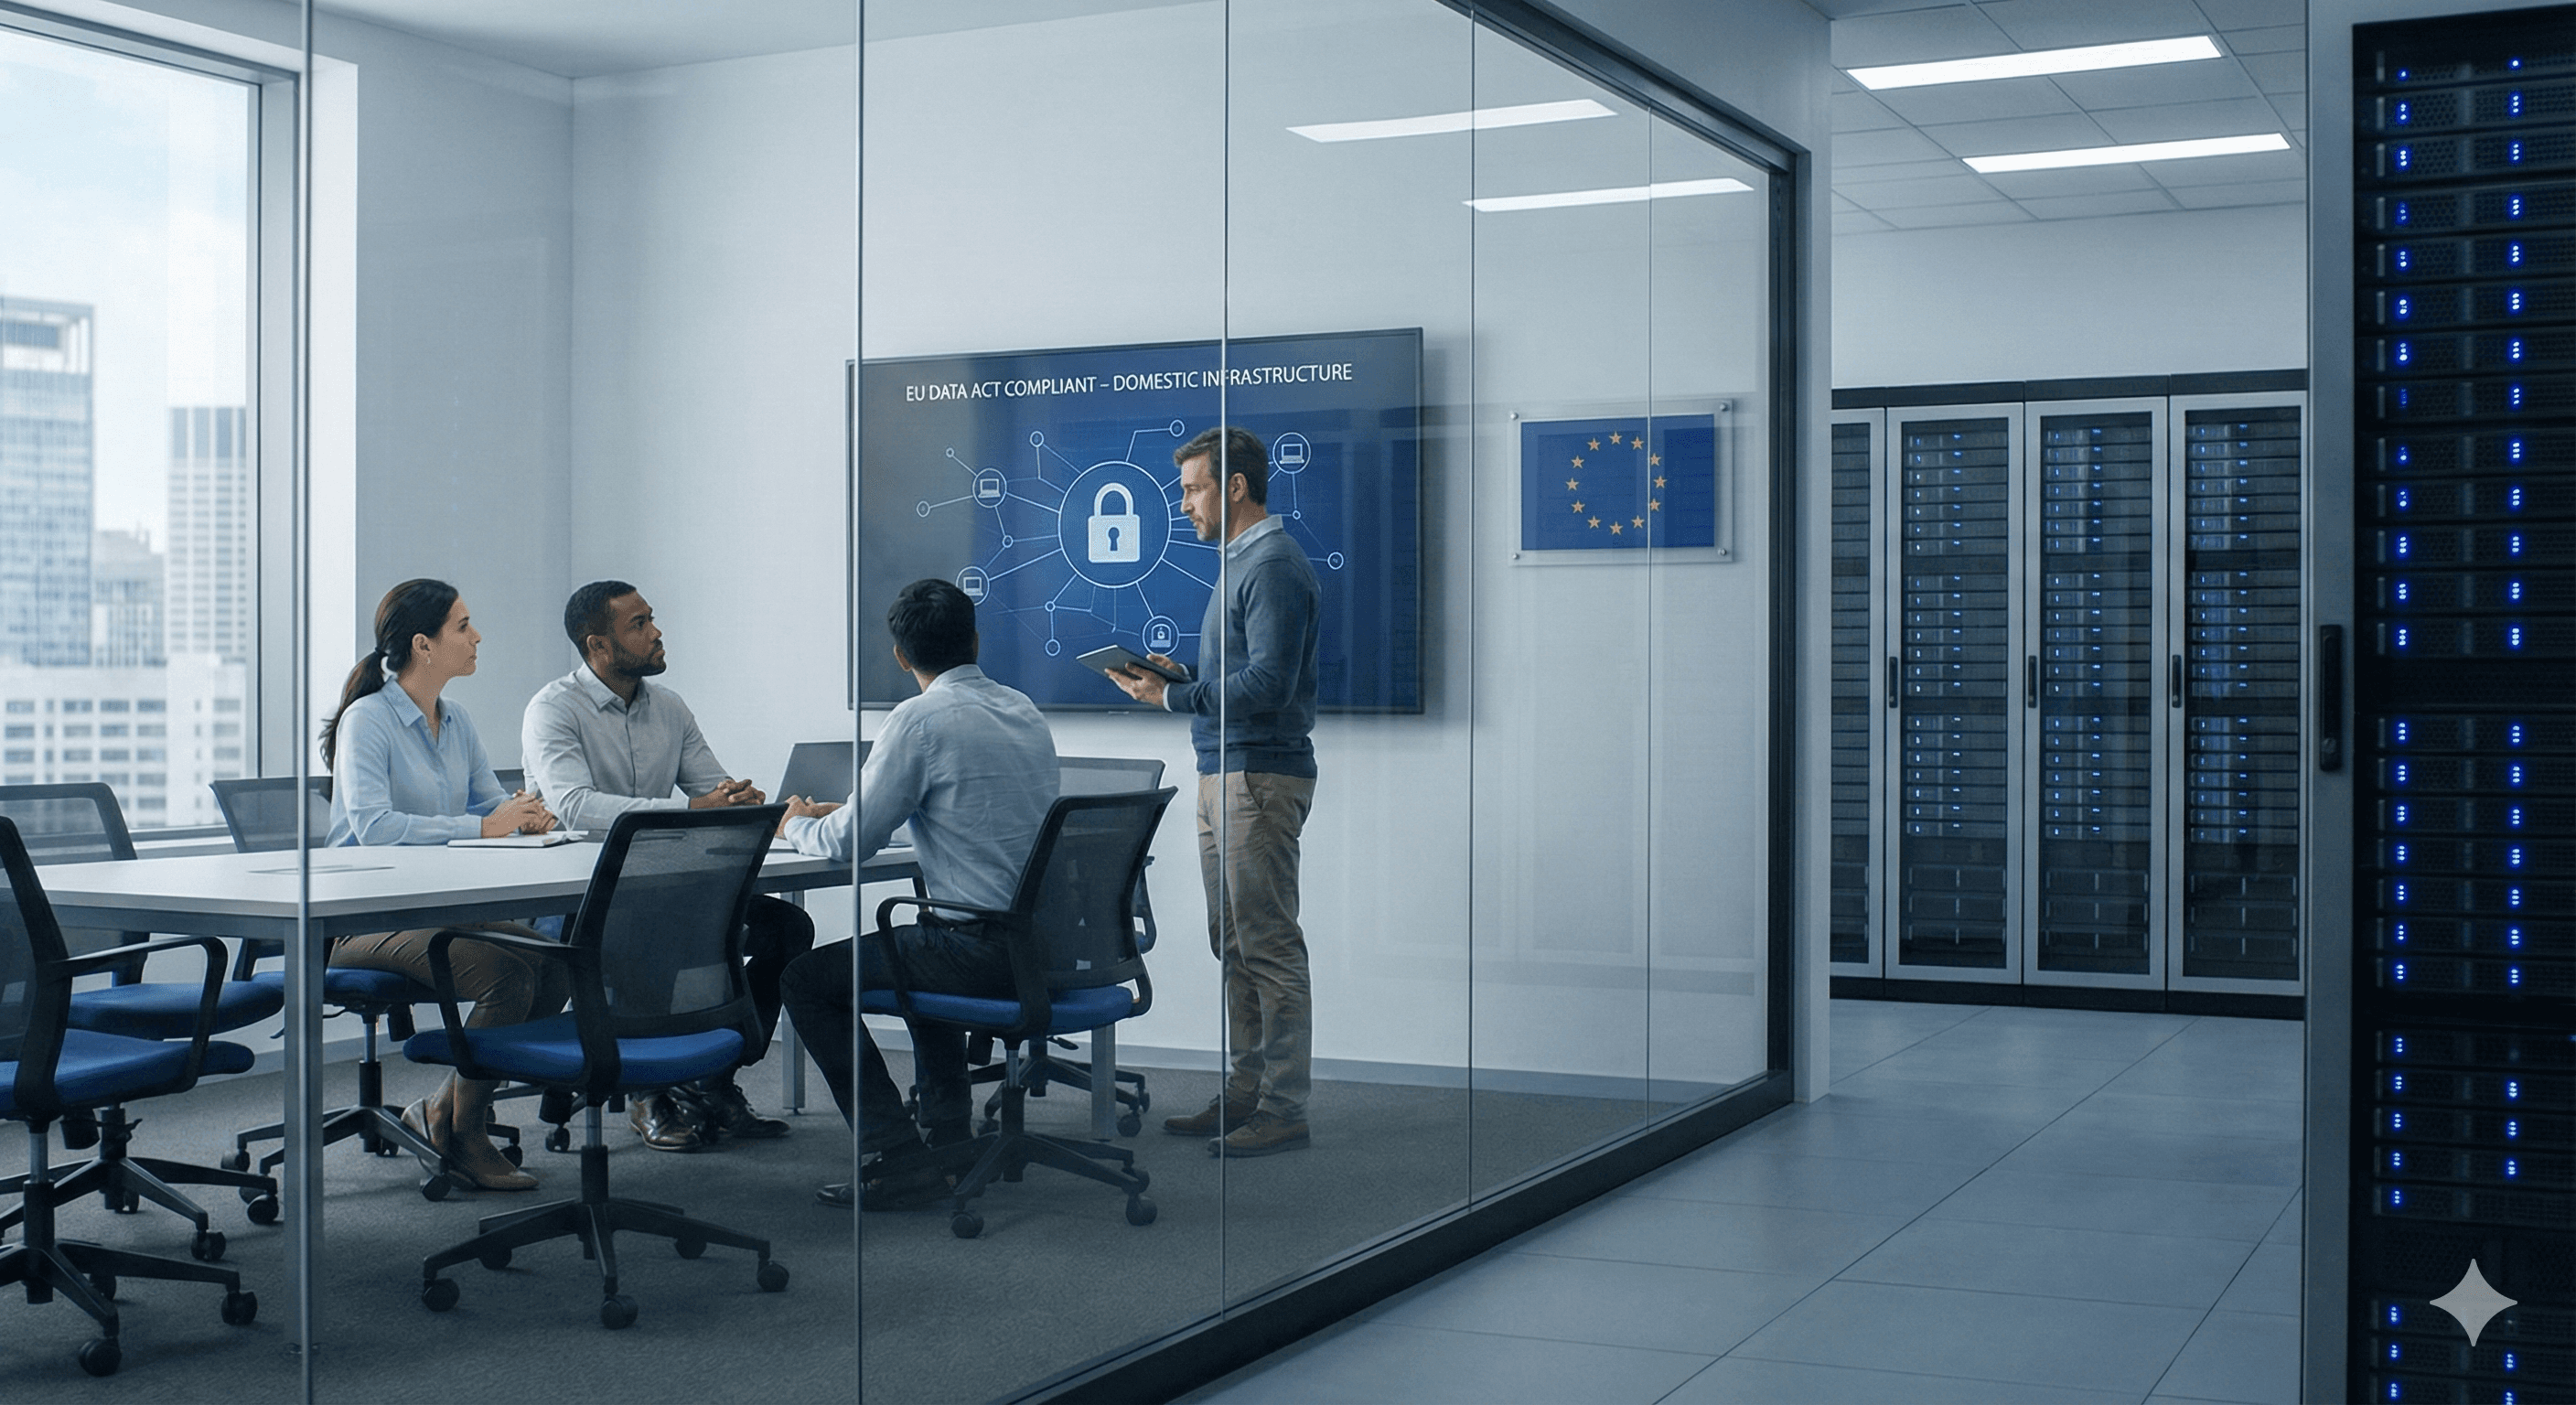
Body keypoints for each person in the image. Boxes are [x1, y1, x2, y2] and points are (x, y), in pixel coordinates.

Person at [776, 578, 1057, 1208]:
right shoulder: (1021, 709)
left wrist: (795, 824)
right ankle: (948, 1132)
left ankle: (895, 1154)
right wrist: (848, 811)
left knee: (803, 979)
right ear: (976, 640)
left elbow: (848, 845)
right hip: (1040, 946)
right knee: (920, 941)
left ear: (901, 656)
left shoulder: (918, 720)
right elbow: (972, 807)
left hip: (979, 954)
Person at [521, 580, 814, 1151]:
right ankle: (646, 1093)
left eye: (652, 619)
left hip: (666, 882)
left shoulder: (670, 707)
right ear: (598, 646)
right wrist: (691, 807)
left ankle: (712, 1077)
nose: (656, 633)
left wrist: (742, 801)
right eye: (640, 625)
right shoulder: (553, 709)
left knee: (788, 928)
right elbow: (573, 805)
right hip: (583, 900)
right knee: (651, 932)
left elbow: (710, 788)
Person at [1106, 425, 1318, 1158]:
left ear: (1234, 487)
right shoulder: (1239, 564)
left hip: (1257, 776)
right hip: (1223, 771)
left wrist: (1173, 701)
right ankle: (1245, 1095)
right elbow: (1239, 681)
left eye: (1194, 488)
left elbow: (1269, 685)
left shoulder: (1275, 565)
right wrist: (1183, 682)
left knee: (1268, 945)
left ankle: (1283, 1106)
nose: (1185, 504)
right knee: (1232, 943)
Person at [321, 578, 570, 1192]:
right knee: (505, 974)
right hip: (360, 917)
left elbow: (489, 805)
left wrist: (526, 815)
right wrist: (488, 825)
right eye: (462, 626)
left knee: (558, 964)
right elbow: (373, 826)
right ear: (423, 646)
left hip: (440, 908)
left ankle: (442, 1110)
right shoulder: (367, 720)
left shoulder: (454, 720)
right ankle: (465, 1132)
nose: (477, 635)